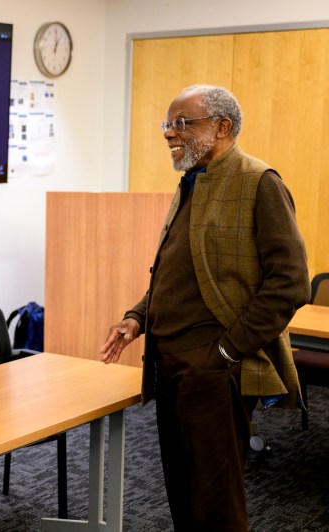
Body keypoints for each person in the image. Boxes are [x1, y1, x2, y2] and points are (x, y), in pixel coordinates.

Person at [99, 84, 310, 531]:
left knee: (214, 501)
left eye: (182, 122)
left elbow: (290, 283)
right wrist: (137, 316)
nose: (169, 133)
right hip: (170, 362)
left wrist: (227, 353)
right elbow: (179, 271)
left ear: (221, 127)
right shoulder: (193, 179)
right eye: (167, 123)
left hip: (215, 366)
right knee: (182, 489)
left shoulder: (259, 181)